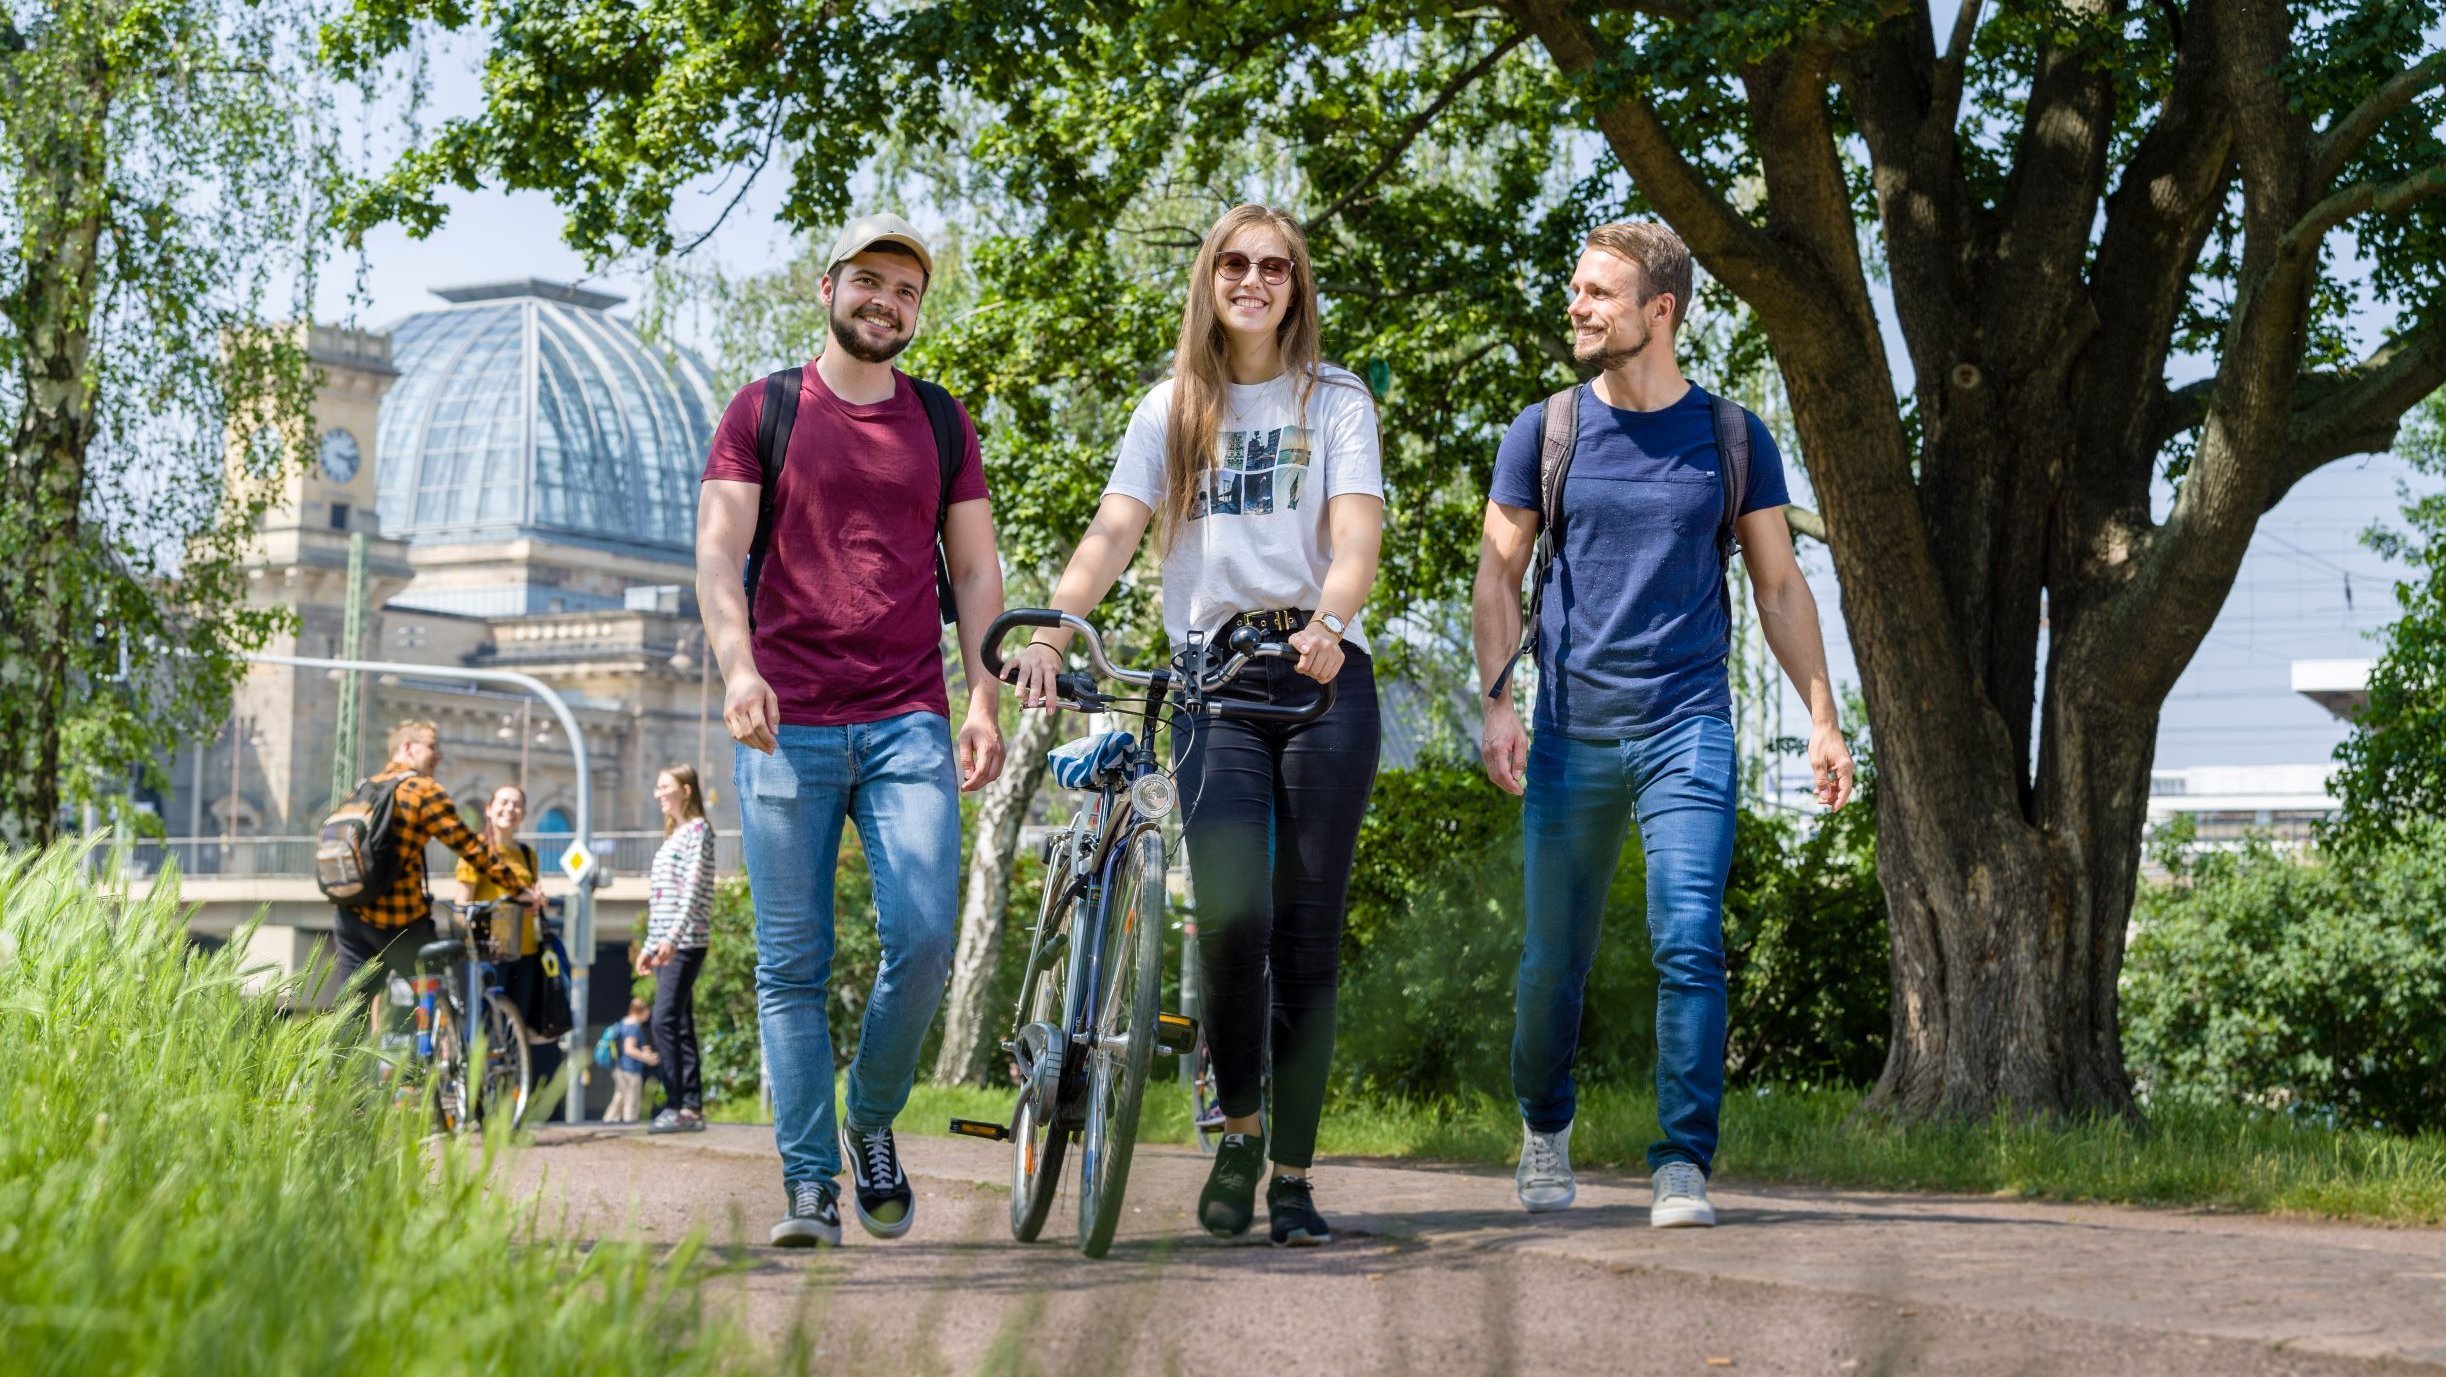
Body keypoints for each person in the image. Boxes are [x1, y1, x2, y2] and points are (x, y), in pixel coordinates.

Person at [1008, 203, 1384, 1248]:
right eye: (1235, 263)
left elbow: (1355, 534)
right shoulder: (1172, 407)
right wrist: (1050, 632)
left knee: (1307, 937)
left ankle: (1296, 1178)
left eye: (1275, 266)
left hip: (1320, 682)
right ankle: (1240, 1133)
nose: (1254, 280)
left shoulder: (1336, 400)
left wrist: (1328, 619)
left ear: (1295, 285)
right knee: (1231, 926)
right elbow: (1112, 531)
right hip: (1213, 685)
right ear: (1209, 279)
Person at [1472, 221, 1855, 1229]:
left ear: (1660, 311)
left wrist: (1824, 717)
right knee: (1554, 956)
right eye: (1576, 287)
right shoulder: (1544, 431)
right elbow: (1496, 576)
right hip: (1568, 730)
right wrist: (1497, 698)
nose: (1577, 305)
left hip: (1686, 722)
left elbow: (1778, 586)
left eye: (1599, 292)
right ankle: (1544, 1128)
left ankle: (1681, 1164)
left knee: (1688, 938)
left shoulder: (1730, 437)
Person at [696, 212, 1009, 1249]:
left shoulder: (940, 420)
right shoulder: (763, 409)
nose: (886, 301)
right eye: (869, 281)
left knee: (921, 941)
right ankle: (807, 1189)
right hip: (783, 724)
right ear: (826, 288)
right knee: (791, 969)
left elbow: (971, 571)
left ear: (918, 310)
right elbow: (717, 551)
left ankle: (870, 1120)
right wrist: (739, 671)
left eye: (907, 289)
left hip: (905, 720)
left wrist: (983, 696)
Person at [335, 721, 544, 1040]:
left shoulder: (363, 788)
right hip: (400, 920)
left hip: (349, 917)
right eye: (432, 747)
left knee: (351, 1017)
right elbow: (470, 846)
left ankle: (345, 1085)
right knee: (434, 997)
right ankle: (425, 1073)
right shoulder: (422, 789)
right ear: (408, 747)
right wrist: (520, 890)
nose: (438, 757)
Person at [453, 784, 560, 1086]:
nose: (509, 809)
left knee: (514, 1030)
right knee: (483, 1026)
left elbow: (530, 899)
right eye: (503, 803)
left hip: (524, 950)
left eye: (516, 805)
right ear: (488, 808)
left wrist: (534, 901)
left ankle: (505, 1101)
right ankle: (473, 1093)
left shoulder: (526, 854)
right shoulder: (476, 850)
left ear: (523, 814)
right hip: (489, 951)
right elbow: (462, 905)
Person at [639, 765, 716, 1133]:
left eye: (664, 786)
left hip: (685, 941)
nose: (658, 793)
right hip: (668, 943)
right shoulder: (673, 836)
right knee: (680, 1023)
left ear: (686, 791)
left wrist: (671, 939)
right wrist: (650, 945)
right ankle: (691, 1108)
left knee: (663, 1019)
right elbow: (662, 900)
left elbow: (690, 893)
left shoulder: (698, 832)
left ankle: (675, 1104)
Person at [607, 996, 659, 1124]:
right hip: (630, 1070)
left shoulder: (623, 1023)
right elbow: (629, 1049)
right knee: (632, 1100)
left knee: (619, 1098)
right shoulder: (633, 1027)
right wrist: (646, 1058)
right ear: (643, 1011)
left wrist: (642, 1050)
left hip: (619, 1068)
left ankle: (607, 1123)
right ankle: (630, 1126)